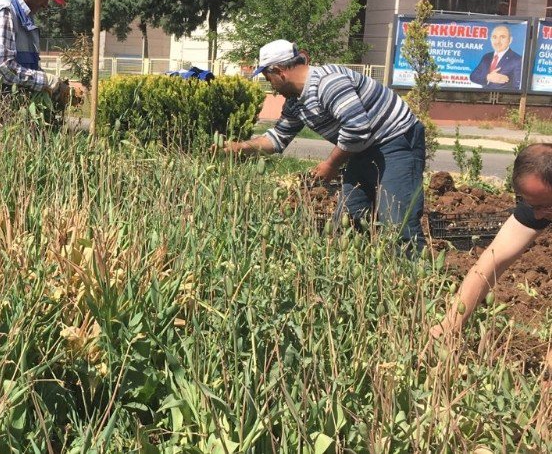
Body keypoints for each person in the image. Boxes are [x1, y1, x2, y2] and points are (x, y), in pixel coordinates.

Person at [224, 39, 426, 250]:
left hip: (396, 141)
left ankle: (416, 276)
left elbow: (358, 128)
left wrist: (330, 164)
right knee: (349, 219)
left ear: (279, 71)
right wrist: (241, 147)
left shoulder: (328, 83)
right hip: (361, 149)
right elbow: (277, 138)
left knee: (398, 224)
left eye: (268, 77)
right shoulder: (296, 102)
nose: (270, 85)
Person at [431, 144, 552, 342]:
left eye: (545, 206)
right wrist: (449, 326)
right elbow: (491, 261)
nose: (538, 214)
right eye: (532, 205)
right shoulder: (540, 201)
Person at [468, 25, 522, 91]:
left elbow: (518, 87)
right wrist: (488, 77)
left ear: (510, 40)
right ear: (491, 39)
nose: (497, 42)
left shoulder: (517, 60)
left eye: (502, 37)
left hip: (502, 99)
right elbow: (473, 76)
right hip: (482, 98)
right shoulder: (487, 57)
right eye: (494, 37)